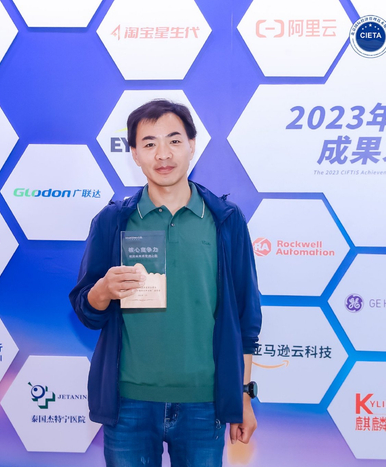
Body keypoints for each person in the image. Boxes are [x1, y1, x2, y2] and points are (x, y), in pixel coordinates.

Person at [69, 99, 262, 466]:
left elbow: (245, 318)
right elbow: (86, 310)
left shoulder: (225, 220)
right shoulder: (114, 221)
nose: (163, 154)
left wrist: (243, 395)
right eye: (149, 143)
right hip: (128, 403)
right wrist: (102, 291)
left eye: (174, 140)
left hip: (205, 403)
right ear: (134, 153)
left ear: (192, 145)